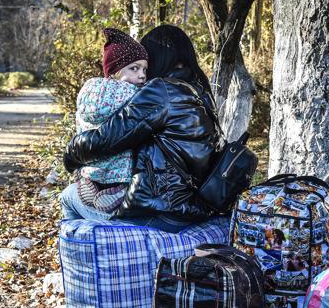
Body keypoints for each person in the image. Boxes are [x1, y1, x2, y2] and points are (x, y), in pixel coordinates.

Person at [62, 25, 222, 232]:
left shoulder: (161, 90)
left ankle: (87, 260)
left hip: (159, 213)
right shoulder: (200, 92)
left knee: (67, 196)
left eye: (146, 65)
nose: (143, 74)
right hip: (191, 207)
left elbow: (105, 139)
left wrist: (70, 154)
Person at [72, 28, 148, 216]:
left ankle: (89, 182)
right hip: (118, 173)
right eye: (134, 68)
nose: (142, 75)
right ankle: (118, 190)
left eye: (145, 69)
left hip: (90, 165)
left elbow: (80, 126)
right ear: (114, 71)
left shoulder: (88, 91)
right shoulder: (133, 94)